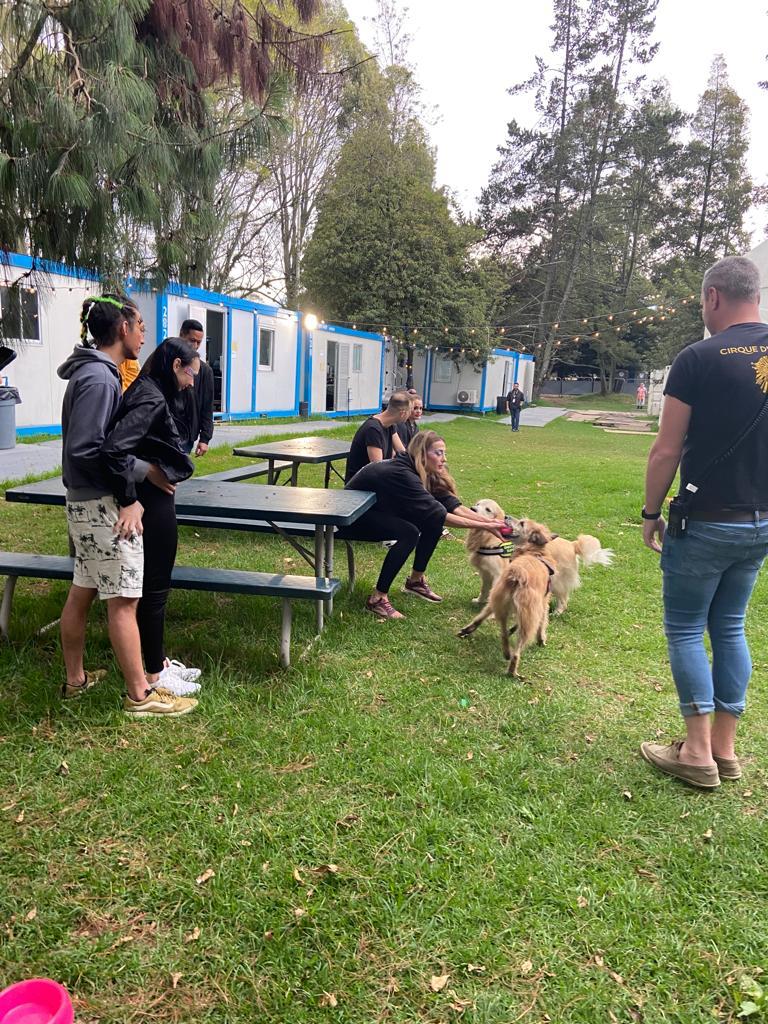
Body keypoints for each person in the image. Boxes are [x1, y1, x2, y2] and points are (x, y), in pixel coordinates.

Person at [641, 255, 768, 789]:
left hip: (707, 520)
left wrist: (650, 513)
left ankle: (695, 753)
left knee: (688, 628)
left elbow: (666, 450)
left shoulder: (698, 357)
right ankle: (725, 749)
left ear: (713, 296)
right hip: (760, 524)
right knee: (731, 625)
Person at [58, 295, 196, 718]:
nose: (143, 336)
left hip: (81, 500)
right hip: (99, 504)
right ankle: (141, 694)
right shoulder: (101, 379)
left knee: (82, 592)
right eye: (140, 326)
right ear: (122, 328)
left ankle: (75, 680)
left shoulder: (93, 373)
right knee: (124, 599)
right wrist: (136, 486)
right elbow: (89, 450)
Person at [101, 338, 203, 708]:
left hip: (155, 498)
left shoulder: (151, 390)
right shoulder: (150, 396)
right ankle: (155, 674)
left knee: (153, 588)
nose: (192, 382)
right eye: (191, 373)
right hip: (149, 503)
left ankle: (156, 661)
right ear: (176, 365)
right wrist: (132, 497)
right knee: (154, 588)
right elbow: (112, 449)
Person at [341, 430, 505, 619]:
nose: (444, 459)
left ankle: (415, 582)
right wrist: (485, 526)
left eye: (444, 453)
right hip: (349, 518)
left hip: (376, 511)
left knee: (431, 523)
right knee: (409, 533)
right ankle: (378, 599)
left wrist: (490, 522)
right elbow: (442, 516)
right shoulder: (403, 474)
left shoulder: (422, 471)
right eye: (438, 453)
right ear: (422, 454)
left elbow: (453, 507)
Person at [344, 391, 411, 482]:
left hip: (377, 478)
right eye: (410, 411)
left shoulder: (390, 425)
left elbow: (402, 453)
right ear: (403, 413)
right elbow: (377, 468)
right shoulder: (373, 429)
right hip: (361, 484)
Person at [172, 319, 214, 456]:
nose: (195, 346)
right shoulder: (166, 361)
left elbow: (207, 407)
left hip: (187, 435)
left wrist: (205, 438)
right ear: (181, 335)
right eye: (192, 340)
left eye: (199, 342)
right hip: (165, 432)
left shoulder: (205, 371)